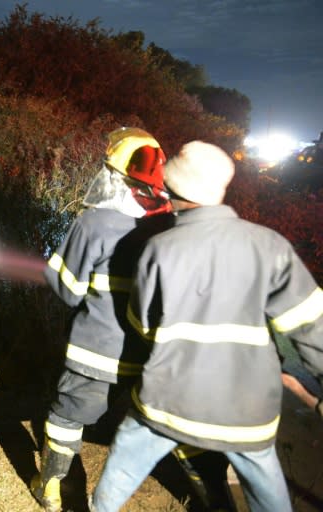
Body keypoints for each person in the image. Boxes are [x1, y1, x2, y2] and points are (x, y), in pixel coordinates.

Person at [89, 141, 323, 512]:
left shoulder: (159, 249)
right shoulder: (269, 245)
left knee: (123, 464)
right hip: (248, 410)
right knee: (267, 488)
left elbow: (142, 324)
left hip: (171, 401)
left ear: (171, 189)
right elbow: (312, 329)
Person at [32, 128, 231, 512]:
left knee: (66, 415)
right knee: (179, 428)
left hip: (96, 354)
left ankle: (50, 488)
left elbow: (68, 289)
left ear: (112, 173)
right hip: (155, 357)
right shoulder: (169, 225)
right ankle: (216, 500)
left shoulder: (93, 223)